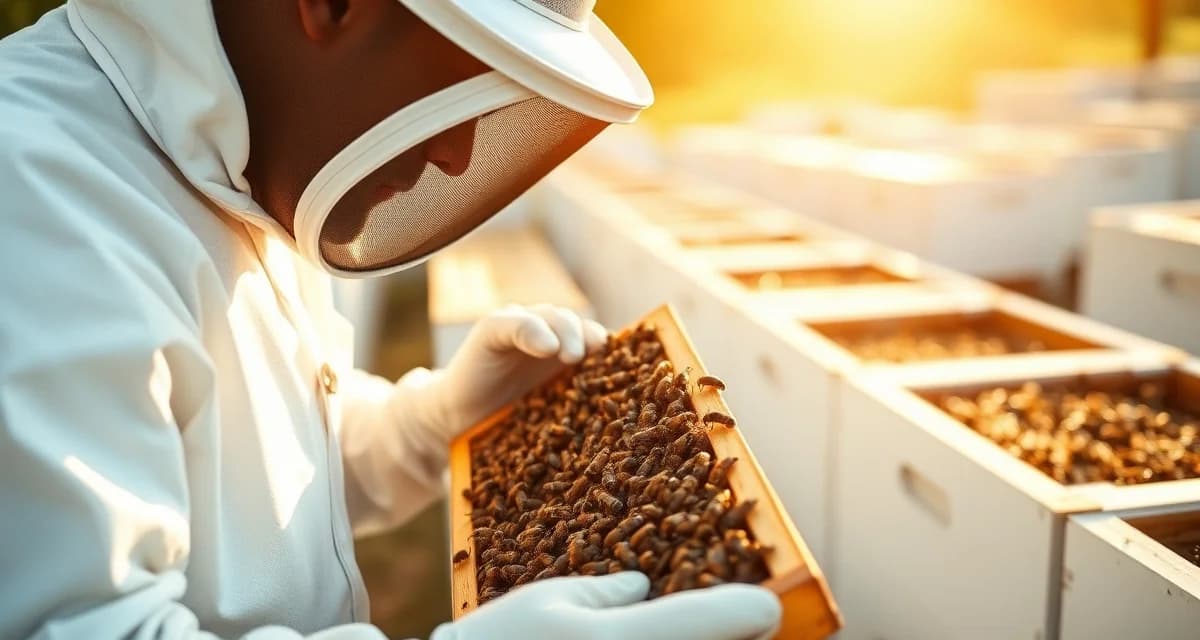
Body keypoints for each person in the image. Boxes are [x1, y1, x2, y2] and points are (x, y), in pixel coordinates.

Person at [0, 1, 784, 638]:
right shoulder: (32, 194)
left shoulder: (240, 160)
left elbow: (262, 474)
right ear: (334, 5)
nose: (457, 156)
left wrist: (428, 421)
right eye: (468, 76)